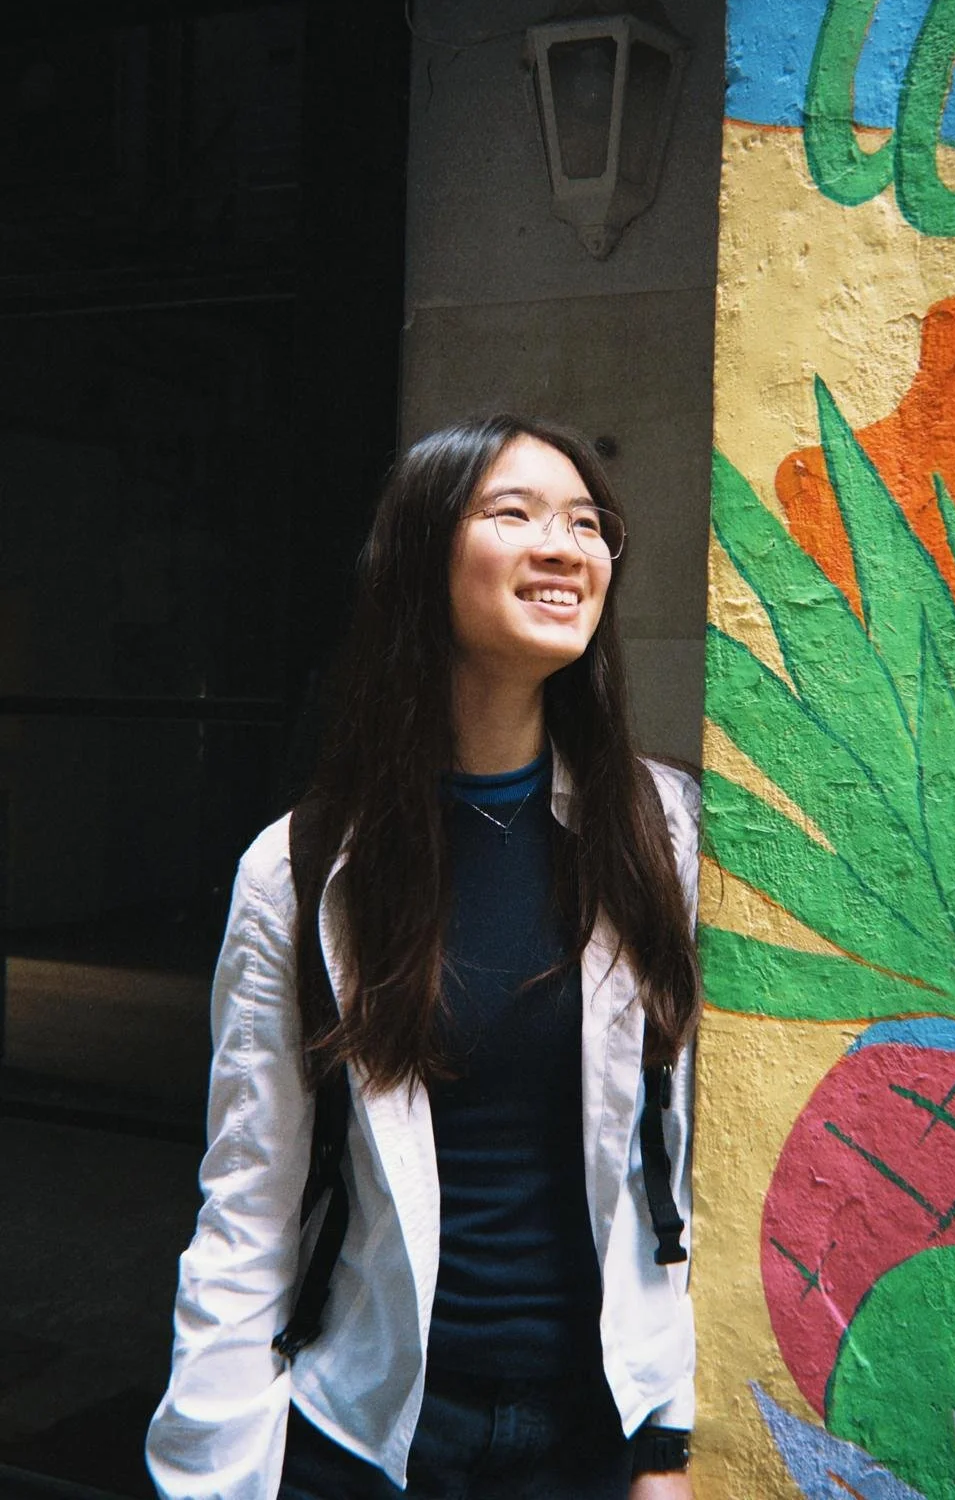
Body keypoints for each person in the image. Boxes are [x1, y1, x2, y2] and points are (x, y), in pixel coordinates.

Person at [146, 413, 702, 1500]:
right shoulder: (302, 868)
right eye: (514, 514)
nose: (563, 547)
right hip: (372, 1434)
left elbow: (677, 1162)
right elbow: (250, 1198)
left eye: (586, 523)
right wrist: (212, 1474)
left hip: (592, 1436)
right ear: (419, 559)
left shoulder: (662, 832)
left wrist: (664, 1441)